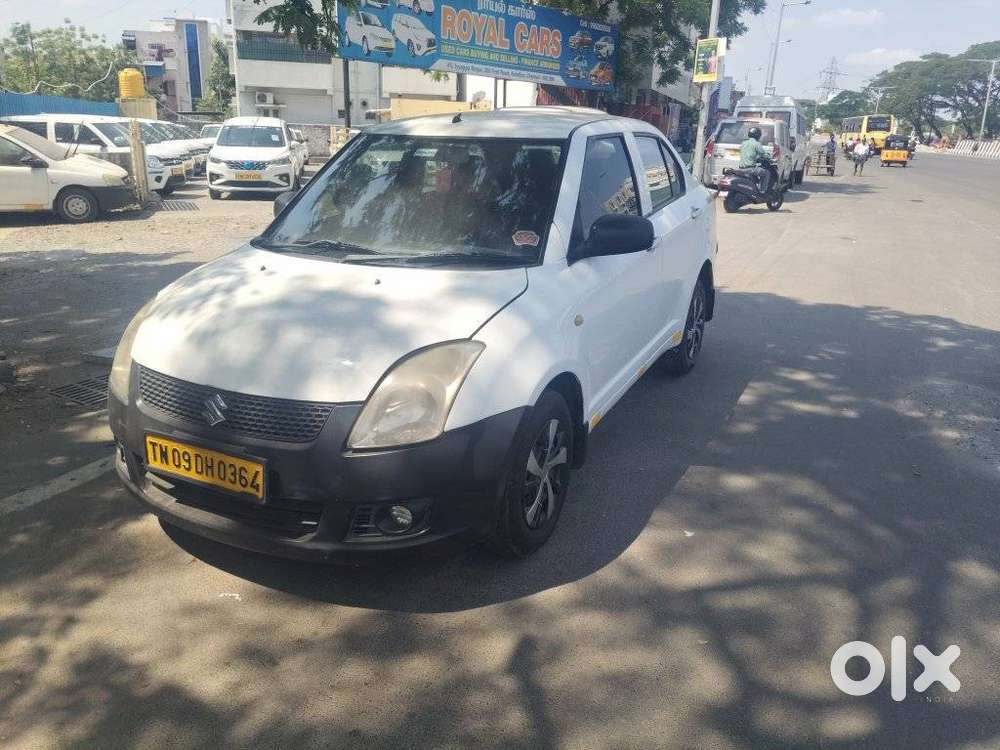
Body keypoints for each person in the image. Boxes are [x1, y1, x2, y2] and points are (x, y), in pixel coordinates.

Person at [738, 126, 773, 194]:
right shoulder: (757, 144)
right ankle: (762, 191)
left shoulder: (743, 143)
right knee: (766, 173)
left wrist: (756, 157)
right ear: (758, 135)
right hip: (750, 169)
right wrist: (770, 158)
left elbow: (749, 154)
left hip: (741, 168)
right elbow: (763, 154)